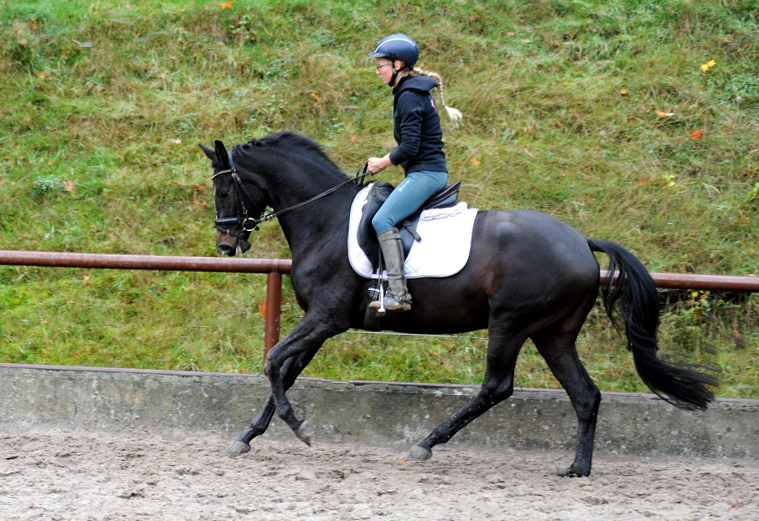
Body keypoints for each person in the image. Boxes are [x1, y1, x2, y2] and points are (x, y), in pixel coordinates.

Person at [366, 33, 461, 313]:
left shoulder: (409, 96)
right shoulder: (413, 92)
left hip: (426, 174)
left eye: (381, 65)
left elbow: (409, 146)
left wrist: (381, 162)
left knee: (382, 219)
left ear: (398, 65)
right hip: (426, 171)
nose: (377, 71)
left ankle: (398, 294)